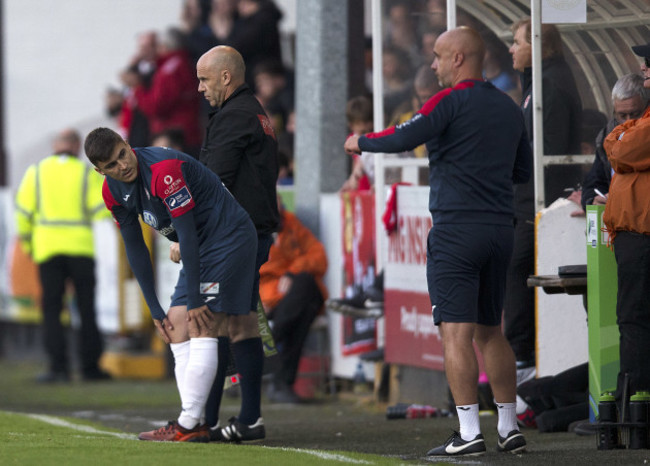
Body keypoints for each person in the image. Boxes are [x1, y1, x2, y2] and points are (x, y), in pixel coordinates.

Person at [344, 26, 531, 457]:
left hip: (457, 231)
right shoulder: (508, 108)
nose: (432, 64)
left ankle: (468, 433)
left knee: (456, 334)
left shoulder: (447, 101)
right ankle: (508, 427)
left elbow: (404, 136)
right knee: (492, 332)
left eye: (438, 56)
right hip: (501, 229)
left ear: (459, 59)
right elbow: (521, 172)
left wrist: (361, 142)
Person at [84, 127, 257, 443]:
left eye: (122, 154)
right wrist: (154, 308)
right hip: (200, 246)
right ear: (100, 171)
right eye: (111, 165)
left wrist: (195, 299)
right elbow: (135, 248)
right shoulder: (112, 192)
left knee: (201, 324)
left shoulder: (163, 172)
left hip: (227, 238)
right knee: (176, 327)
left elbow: (187, 233)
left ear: (127, 144)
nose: (122, 165)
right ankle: (199, 421)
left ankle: (189, 423)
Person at [196, 45, 280, 441]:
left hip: (233, 237)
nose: (200, 88)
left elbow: (212, 181)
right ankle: (246, 419)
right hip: (252, 232)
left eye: (204, 79)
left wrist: (191, 234)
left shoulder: (235, 117)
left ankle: (205, 420)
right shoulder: (255, 112)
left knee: (211, 321)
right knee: (241, 321)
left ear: (226, 77)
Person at [506, 19, 582, 400]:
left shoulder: (549, 85)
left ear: (538, 45)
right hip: (526, 201)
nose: (511, 49)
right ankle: (522, 370)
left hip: (536, 204)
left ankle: (525, 374)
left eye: (516, 42)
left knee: (518, 278)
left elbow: (548, 151)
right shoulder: (538, 82)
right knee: (516, 277)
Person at [14, 129, 110, 383]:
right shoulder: (86, 173)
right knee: (87, 309)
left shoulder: (36, 172)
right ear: (78, 146)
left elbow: (23, 213)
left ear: (55, 145)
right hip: (81, 248)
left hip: (47, 249)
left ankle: (59, 368)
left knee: (52, 309)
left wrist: (28, 245)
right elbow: (101, 209)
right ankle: (90, 368)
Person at [602, 42, 650, 403]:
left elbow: (620, 149)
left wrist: (620, 137)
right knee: (632, 319)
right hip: (633, 235)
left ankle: (635, 402)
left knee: (633, 320)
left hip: (642, 236)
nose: (646, 71)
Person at [261, 196, 328, 403]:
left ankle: (269, 348)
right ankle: (282, 382)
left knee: (306, 294)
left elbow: (320, 257)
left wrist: (291, 273)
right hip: (266, 298)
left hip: (291, 298)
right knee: (306, 305)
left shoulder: (290, 223)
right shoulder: (251, 229)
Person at [581, 73, 649, 210]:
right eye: (622, 115)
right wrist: (592, 200)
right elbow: (594, 182)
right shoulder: (608, 136)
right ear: (614, 112)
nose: (628, 122)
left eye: (635, 114)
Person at [130, 27, 203, 155]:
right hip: (185, 133)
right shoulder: (178, 63)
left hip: (175, 138)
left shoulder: (170, 69)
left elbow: (156, 105)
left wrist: (138, 88)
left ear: (165, 46)